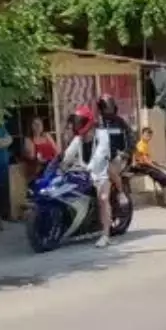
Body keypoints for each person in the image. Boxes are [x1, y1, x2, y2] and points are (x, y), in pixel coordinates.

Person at [61, 105, 115, 247]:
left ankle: (105, 235)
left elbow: (100, 154)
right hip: (84, 172)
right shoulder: (78, 138)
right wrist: (61, 163)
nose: (77, 125)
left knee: (103, 199)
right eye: (77, 122)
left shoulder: (101, 135)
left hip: (101, 172)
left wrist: (90, 168)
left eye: (80, 121)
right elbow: (69, 153)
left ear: (88, 122)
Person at [95, 94, 135, 208]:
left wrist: (127, 152)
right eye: (104, 106)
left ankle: (121, 192)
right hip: (103, 157)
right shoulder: (98, 123)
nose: (107, 109)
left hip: (119, 156)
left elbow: (131, 136)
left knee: (108, 170)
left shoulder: (120, 122)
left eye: (109, 106)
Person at [131, 126, 166, 207]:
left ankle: (164, 196)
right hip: (141, 166)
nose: (148, 137)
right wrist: (156, 167)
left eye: (150, 136)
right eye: (147, 135)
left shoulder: (145, 144)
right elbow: (145, 160)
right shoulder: (141, 145)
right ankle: (165, 200)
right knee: (163, 176)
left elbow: (149, 159)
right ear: (142, 135)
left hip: (146, 165)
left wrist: (159, 164)